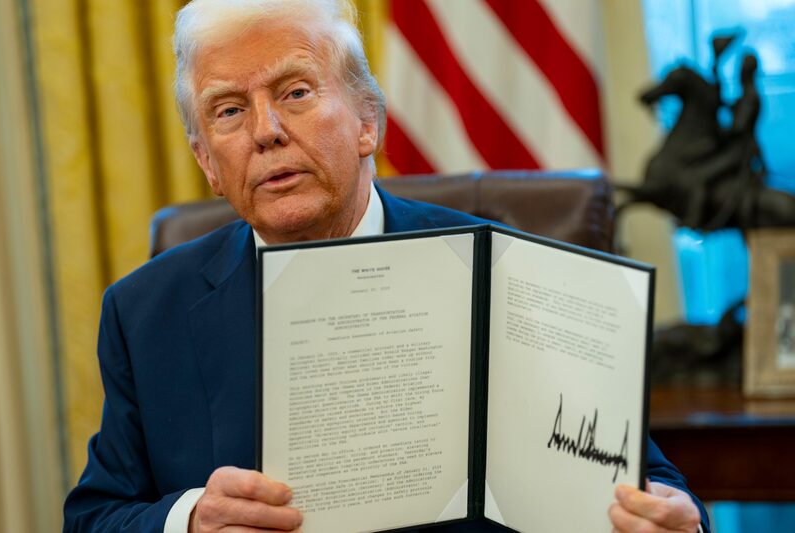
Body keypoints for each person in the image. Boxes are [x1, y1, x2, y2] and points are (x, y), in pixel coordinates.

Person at [63, 1, 709, 532]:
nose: (265, 131)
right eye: (228, 110)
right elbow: (95, 515)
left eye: (295, 92)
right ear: (207, 160)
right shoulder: (146, 310)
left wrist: (674, 518)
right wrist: (191, 519)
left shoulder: (504, 271)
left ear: (368, 121)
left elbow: (642, 481)